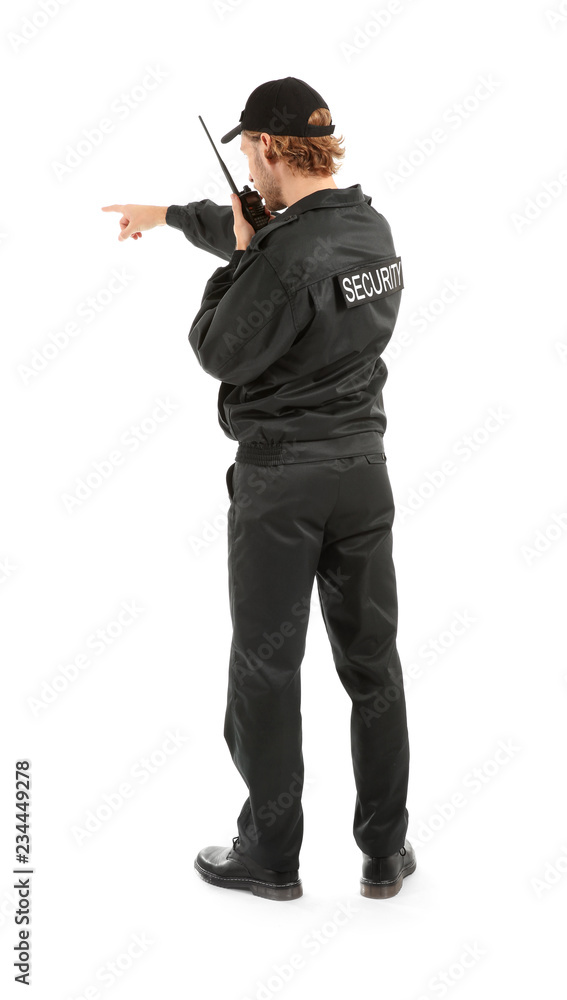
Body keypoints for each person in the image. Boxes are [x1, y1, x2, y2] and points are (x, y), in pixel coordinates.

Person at [102, 76, 416, 902]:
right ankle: (385, 851)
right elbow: (271, 244)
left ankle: (269, 856)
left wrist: (240, 256)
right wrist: (172, 217)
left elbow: (219, 343)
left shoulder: (278, 256)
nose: (247, 161)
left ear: (271, 148)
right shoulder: (368, 229)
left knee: (266, 671)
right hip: (363, 476)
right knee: (372, 663)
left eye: (249, 149)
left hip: (283, 485)